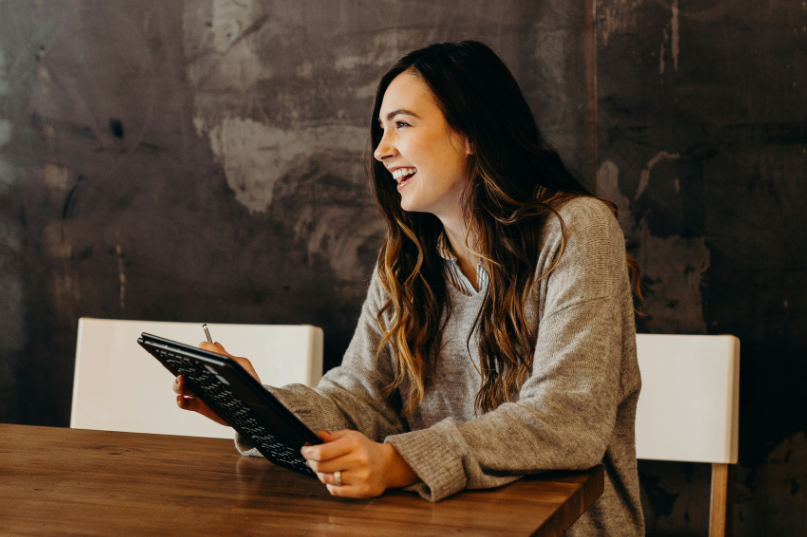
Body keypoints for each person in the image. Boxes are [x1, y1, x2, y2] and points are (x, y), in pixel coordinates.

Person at [174, 41, 645, 536]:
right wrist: (255, 408)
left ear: (470, 133)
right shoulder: (406, 259)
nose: (381, 150)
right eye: (381, 130)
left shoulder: (577, 231)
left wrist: (400, 462)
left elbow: (567, 419)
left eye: (401, 124)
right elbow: (361, 398)